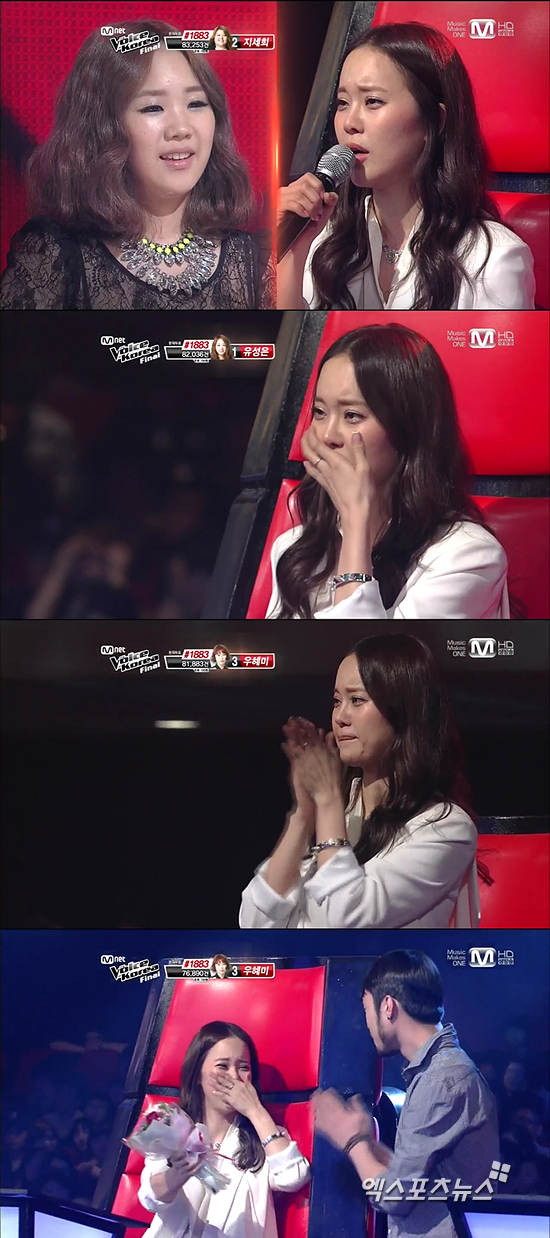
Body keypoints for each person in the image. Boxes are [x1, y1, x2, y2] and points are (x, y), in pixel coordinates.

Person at [1, 19, 275, 310]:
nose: (181, 128)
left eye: (196, 103)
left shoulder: (253, 261)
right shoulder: (56, 257)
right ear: (104, 128)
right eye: (153, 107)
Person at [277, 23, 535, 310]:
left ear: (434, 120)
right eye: (343, 103)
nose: (349, 123)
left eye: (373, 101)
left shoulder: (494, 259)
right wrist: (292, 253)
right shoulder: (324, 238)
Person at [267, 324, 510, 619]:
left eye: (352, 415)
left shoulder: (468, 555)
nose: (327, 435)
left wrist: (357, 521)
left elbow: (363, 648)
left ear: (407, 429)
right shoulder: (294, 549)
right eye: (319, 412)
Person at [240, 633, 481, 929]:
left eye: (356, 700)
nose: (340, 717)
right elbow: (255, 922)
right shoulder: (339, 811)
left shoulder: (445, 827)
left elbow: (346, 920)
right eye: (336, 701)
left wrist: (328, 800)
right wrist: (304, 815)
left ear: (402, 710)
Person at [313, 951, 499, 1238]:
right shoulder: (440, 1072)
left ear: (387, 1006)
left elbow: (394, 1197)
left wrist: (351, 1141)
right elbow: (419, 1181)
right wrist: (368, 1143)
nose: (366, 1022)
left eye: (366, 1009)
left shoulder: (440, 1080)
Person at [138, 1021, 310, 1237]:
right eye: (222, 1066)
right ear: (198, 1074)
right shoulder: (172, 1124)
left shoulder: (264, 1135)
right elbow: (149, 1198)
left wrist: (255, 1110)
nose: (234, 1077)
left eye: (243, 1067)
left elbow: (294, 1177)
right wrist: (176, 1175)